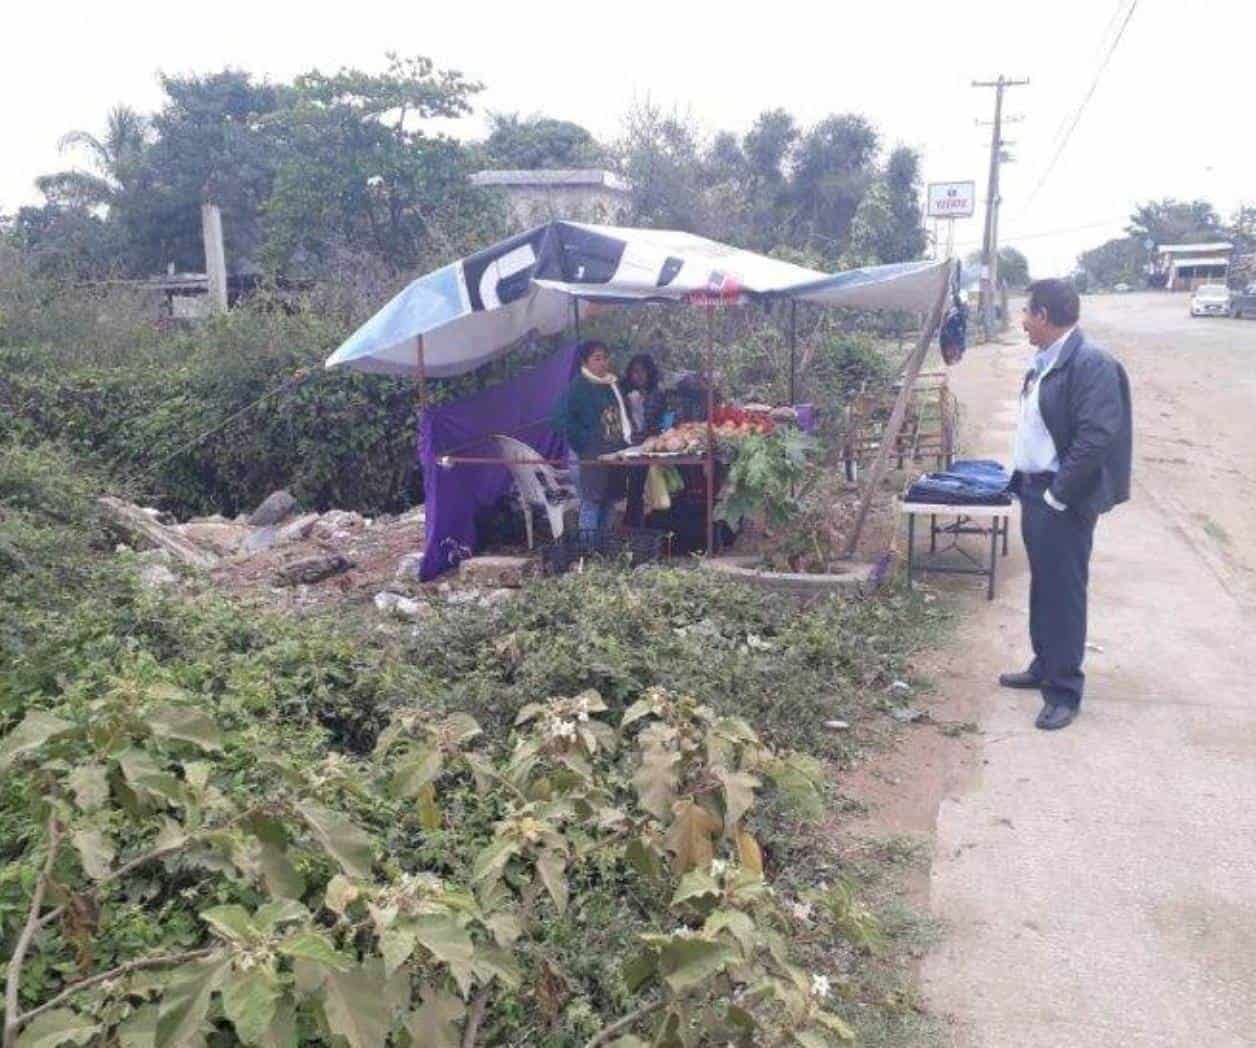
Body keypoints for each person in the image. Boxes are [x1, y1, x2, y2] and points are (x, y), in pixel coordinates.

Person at [1000, 279, 1132, 731]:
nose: (1021, 321)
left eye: (1025, 312)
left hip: (1062, 498)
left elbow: (1097, 437)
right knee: (1044, 585)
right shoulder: (1047, 361)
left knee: (1066, 593)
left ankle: (1064, 690)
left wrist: (1059, 494)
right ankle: (1044, 664)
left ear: (1043, 314)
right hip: (1035, 490)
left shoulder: (1089, 363)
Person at [552, 340, 632, 531]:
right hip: (589, 456)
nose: (603, 363)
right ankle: (587, 554)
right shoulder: (578, 387)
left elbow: (622, 417)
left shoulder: (612, 385)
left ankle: (602, 552)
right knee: (592, 503)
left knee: (609, 503)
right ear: (585, 362)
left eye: (605, 358)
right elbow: (559, 419)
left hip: (613, 453)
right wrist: (585, 442)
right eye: (597, 358)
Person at [622, 353, 666, 526]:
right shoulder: (626, 394)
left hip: (651, 445)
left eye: (641, 372)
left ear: (649, 373)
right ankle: (632, 522)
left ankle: (640, 523)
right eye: (634, 372)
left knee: (643, 486)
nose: (637, 376)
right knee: (634, 487)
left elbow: (652, 421)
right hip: (631, 446)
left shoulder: (656, 393)